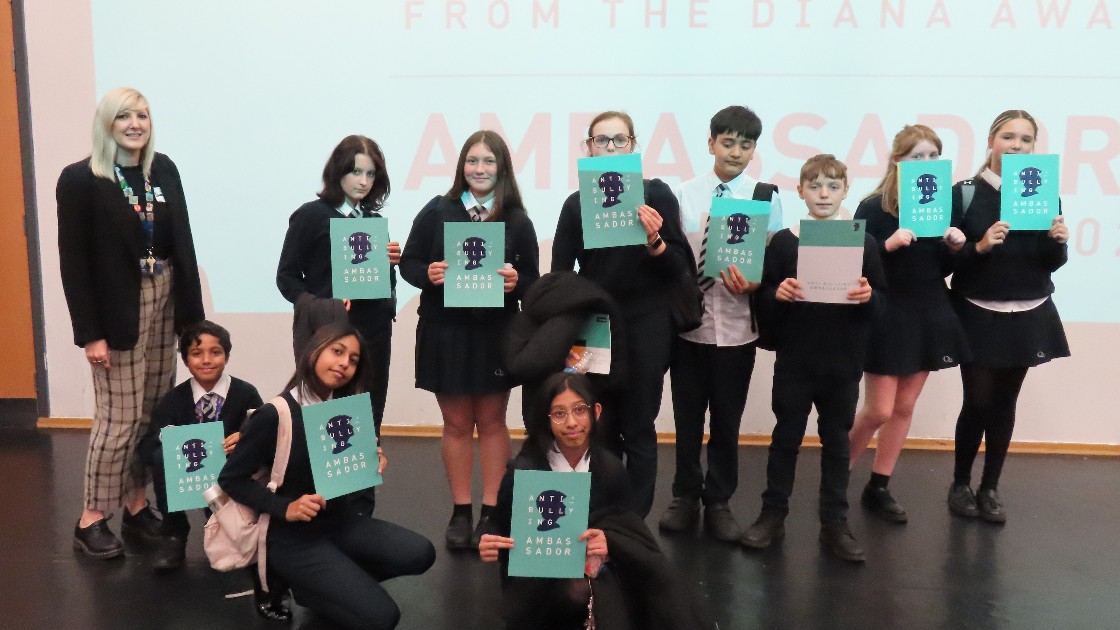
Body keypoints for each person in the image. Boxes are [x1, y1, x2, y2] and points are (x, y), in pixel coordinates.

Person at [57, 87, 205, 559]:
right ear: (107, 123)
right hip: (118, 309)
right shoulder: (81, 179)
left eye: (142, 115)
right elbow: (74, 263)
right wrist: (90, 333)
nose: (135, 124)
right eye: (124, 116)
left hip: (165, 296)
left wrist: (190, 315)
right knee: (118, 420)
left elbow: (183, 241)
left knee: (153, 412)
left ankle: (137, 505)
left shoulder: (162, 169)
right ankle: (92, 517)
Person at [218, 323, 436, 629]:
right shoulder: (275, 414)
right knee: (383, 617)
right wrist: (286, 507)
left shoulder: (345, 410)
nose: (345, 363)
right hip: (290, 537)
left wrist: (370, 460)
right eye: (337, 351)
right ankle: (298, 582)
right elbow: (231, 480)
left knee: (421, 553)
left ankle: (312, 589)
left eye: (354, 359)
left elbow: (342, 476)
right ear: (314, 351)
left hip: (336, 522)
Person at [741, 154, 886, 562]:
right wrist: (776, 294)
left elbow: (883, 302)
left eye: (833, 186)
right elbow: (764, 298)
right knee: (785, 437)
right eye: (815, 185)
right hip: (796, 359)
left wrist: (868, 296)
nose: (824, 194)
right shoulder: (785, 241)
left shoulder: (864, 242)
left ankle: (835, 524)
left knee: (837, 443)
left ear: (845, 190)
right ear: (801, 191)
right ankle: (772, 515)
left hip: (843, 362)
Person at [399, 130, 540, 549]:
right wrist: (428, 274)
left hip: (496, 333)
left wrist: (517, 283)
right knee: (457, 424)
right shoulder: (438, 210)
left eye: (489, 162)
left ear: (503, 169)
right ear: (462, 166)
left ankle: (492, 512)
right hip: (446, 331)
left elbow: (534, 282)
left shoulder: (516, 219)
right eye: (473, 161)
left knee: (493, 423)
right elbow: (408, 262)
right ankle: (461, 512)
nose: (480, 169)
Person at [478, 372, 705, 630]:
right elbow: (497, 523)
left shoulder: (610, 469)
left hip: (600, 570)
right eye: (559, 414)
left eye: (579, 410)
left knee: (646, 588)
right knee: (572, 592)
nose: (572, 422)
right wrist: (488, 541)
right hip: (540, 580)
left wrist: (610, 542)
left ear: (596, 412)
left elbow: (628, 529)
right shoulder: (525, 469)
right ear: (546, 419)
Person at [552, 111, 692, 517]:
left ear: (633, 145)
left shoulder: (656, 194)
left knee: (638, 428)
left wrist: (656, 242)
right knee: (598, 426)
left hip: (648, 323)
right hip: (594, 327)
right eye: (601, 141)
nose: (610, 148)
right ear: (588, 147)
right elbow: (560, 275)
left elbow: (680, 267)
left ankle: (635, 523)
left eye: (619, 140)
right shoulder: (576, 203)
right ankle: (600, 518)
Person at [659, 105, 783, 542]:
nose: (735, 151)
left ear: (754, 149)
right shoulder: (680, 195)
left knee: (727, 421)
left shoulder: (765, 197)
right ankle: (684, 495)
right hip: (689, 326)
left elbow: (777, 260)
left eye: (745, 144)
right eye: (727, 142)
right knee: (688, 417)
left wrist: (757, 280)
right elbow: (672, 260)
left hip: (738, 329)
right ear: (710, 143)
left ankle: (719, 500)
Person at [946, 110, 1069, 523]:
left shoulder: (1045, 192)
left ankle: (990, 487)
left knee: (1005, 404)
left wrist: (1058, 242)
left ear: (1035, 147)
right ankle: (961, 482)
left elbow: (1050, 263)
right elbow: (947, 262)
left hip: (1028, 311)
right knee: (977, 402)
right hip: (977, 311)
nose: (1017, 146)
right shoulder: (963, 193)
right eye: (1008, 137)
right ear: (991, 141)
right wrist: (979, 246)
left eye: (1026, 139)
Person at [847, 125, 970, 523]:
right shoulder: (872, 207)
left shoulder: (943, 205)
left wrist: (955, 247)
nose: (927, 164)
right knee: (879, 410)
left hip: (930, 309)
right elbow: (854, 266)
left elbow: (945, 268)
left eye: (934, 156)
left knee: (903, 407)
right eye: (918, 156)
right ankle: (836, 475)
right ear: (898, 161)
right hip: (887, 312)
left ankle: (879, 485)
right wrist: (886, 246)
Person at [276, 134, 399, 450]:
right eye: (356, 172)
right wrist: (319, 305)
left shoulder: (373, 221)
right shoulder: (311, 215)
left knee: (369, 422)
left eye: (371, 174)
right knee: (327, 423)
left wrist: (391, 264)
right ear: (337, 172)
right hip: (328, 331)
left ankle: (361, 497)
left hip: (373, 332)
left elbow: (383, 284)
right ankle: (321, 498)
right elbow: (287, 278)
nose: (363, 181)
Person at [137, 320, 263, 570]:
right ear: (185, 360)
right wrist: (168, 439)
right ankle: (174, 532)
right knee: (162, 456)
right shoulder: (174, 400)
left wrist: (244, 438)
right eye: (196, 353)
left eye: (215, 353)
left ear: (227, 356)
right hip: (188, 475)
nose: (206, 360)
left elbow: (266, 435)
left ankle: (231, 522)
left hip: (231, 475)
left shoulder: (246, 393)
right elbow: (146, 449)